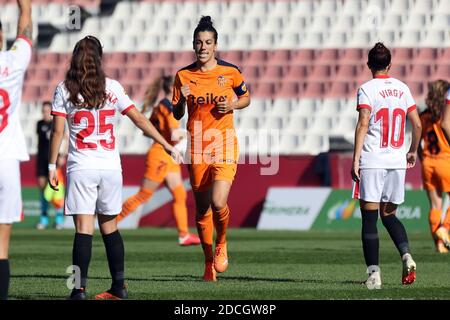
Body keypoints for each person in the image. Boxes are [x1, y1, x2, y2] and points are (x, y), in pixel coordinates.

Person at [48, 35, 181, 300]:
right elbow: (139, 120)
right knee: (110, 228)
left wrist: (52, 165)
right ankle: (119, 286)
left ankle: (78, 290)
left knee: (83, 230)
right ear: (100, 58)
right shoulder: (113, 86)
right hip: (109, 167)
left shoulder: (64, 89)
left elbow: (57, 132)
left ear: (75, 58)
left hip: (81, 166)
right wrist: (165, 143)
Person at [172, 16, 250, 281]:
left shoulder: (230, 72)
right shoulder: (183, 76)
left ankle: (222, 242)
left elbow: (245, 97)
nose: (203, 46)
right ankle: (208, 264)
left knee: (218, 202)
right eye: (198, 42)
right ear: (193, 45)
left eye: (208, 42)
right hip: (196, 148)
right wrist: (181, 101)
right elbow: (176, 113)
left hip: (224, 143)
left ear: (216, 45)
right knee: (202, 210)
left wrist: (233, 106)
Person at [351, 42, 422, 289]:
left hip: (373, 161)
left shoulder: (367, 88)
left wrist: (355, 159)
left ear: (369, 65)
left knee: (369, 219)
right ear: (390, 65)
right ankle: (406, 256)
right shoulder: (403, 89)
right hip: (396, 161)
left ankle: (374, 275)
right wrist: (412, 150)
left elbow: (363, 123)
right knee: (390, 215)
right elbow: (418, 123)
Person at [117, 76, 201, 246]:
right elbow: (174, 135)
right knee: (144, 195)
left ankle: (183, 234)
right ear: (172, 89)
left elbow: (147, 132)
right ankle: (111, 223)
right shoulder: (168, 107)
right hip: (160, 155)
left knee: (179, 194)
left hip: (168, 154)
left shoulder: (162, 105)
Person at [0, 0, 32, 300]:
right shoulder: (14, 61)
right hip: (7, 159)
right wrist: (25, 4)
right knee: (2, 243)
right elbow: (25, 25)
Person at [418, 80, 450, 253]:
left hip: (428, 162)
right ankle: (444, 228)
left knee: (435, 206)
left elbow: (418, 140)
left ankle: (440, 244)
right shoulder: (445, 115)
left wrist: (420, 158)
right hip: (446, 160)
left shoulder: (424, 116)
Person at [36, 101, 65, 229]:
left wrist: (62, 155)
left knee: (56, 190)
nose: (45, 113)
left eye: (47, 111)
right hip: (41, 161)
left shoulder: (56, 123)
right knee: (43, 191)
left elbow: (65, 137)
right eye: (43, 111)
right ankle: (44, 219)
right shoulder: (39, 124)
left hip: (53, 161)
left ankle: (58, 220)